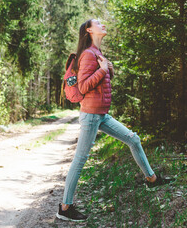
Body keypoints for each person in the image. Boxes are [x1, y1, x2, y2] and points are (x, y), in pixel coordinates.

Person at [56, 19, 168, 222]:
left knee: (133, 139)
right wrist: (102, 70)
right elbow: (82, 87)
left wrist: (108, 70)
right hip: (91, 115)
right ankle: (65, 207)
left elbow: (101, 83)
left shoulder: (97, 53)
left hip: (101, 114)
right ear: (89, 30)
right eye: (98, 23)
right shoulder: (89, 54)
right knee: (80, 160)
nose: (103, 24)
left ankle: (151, 179)